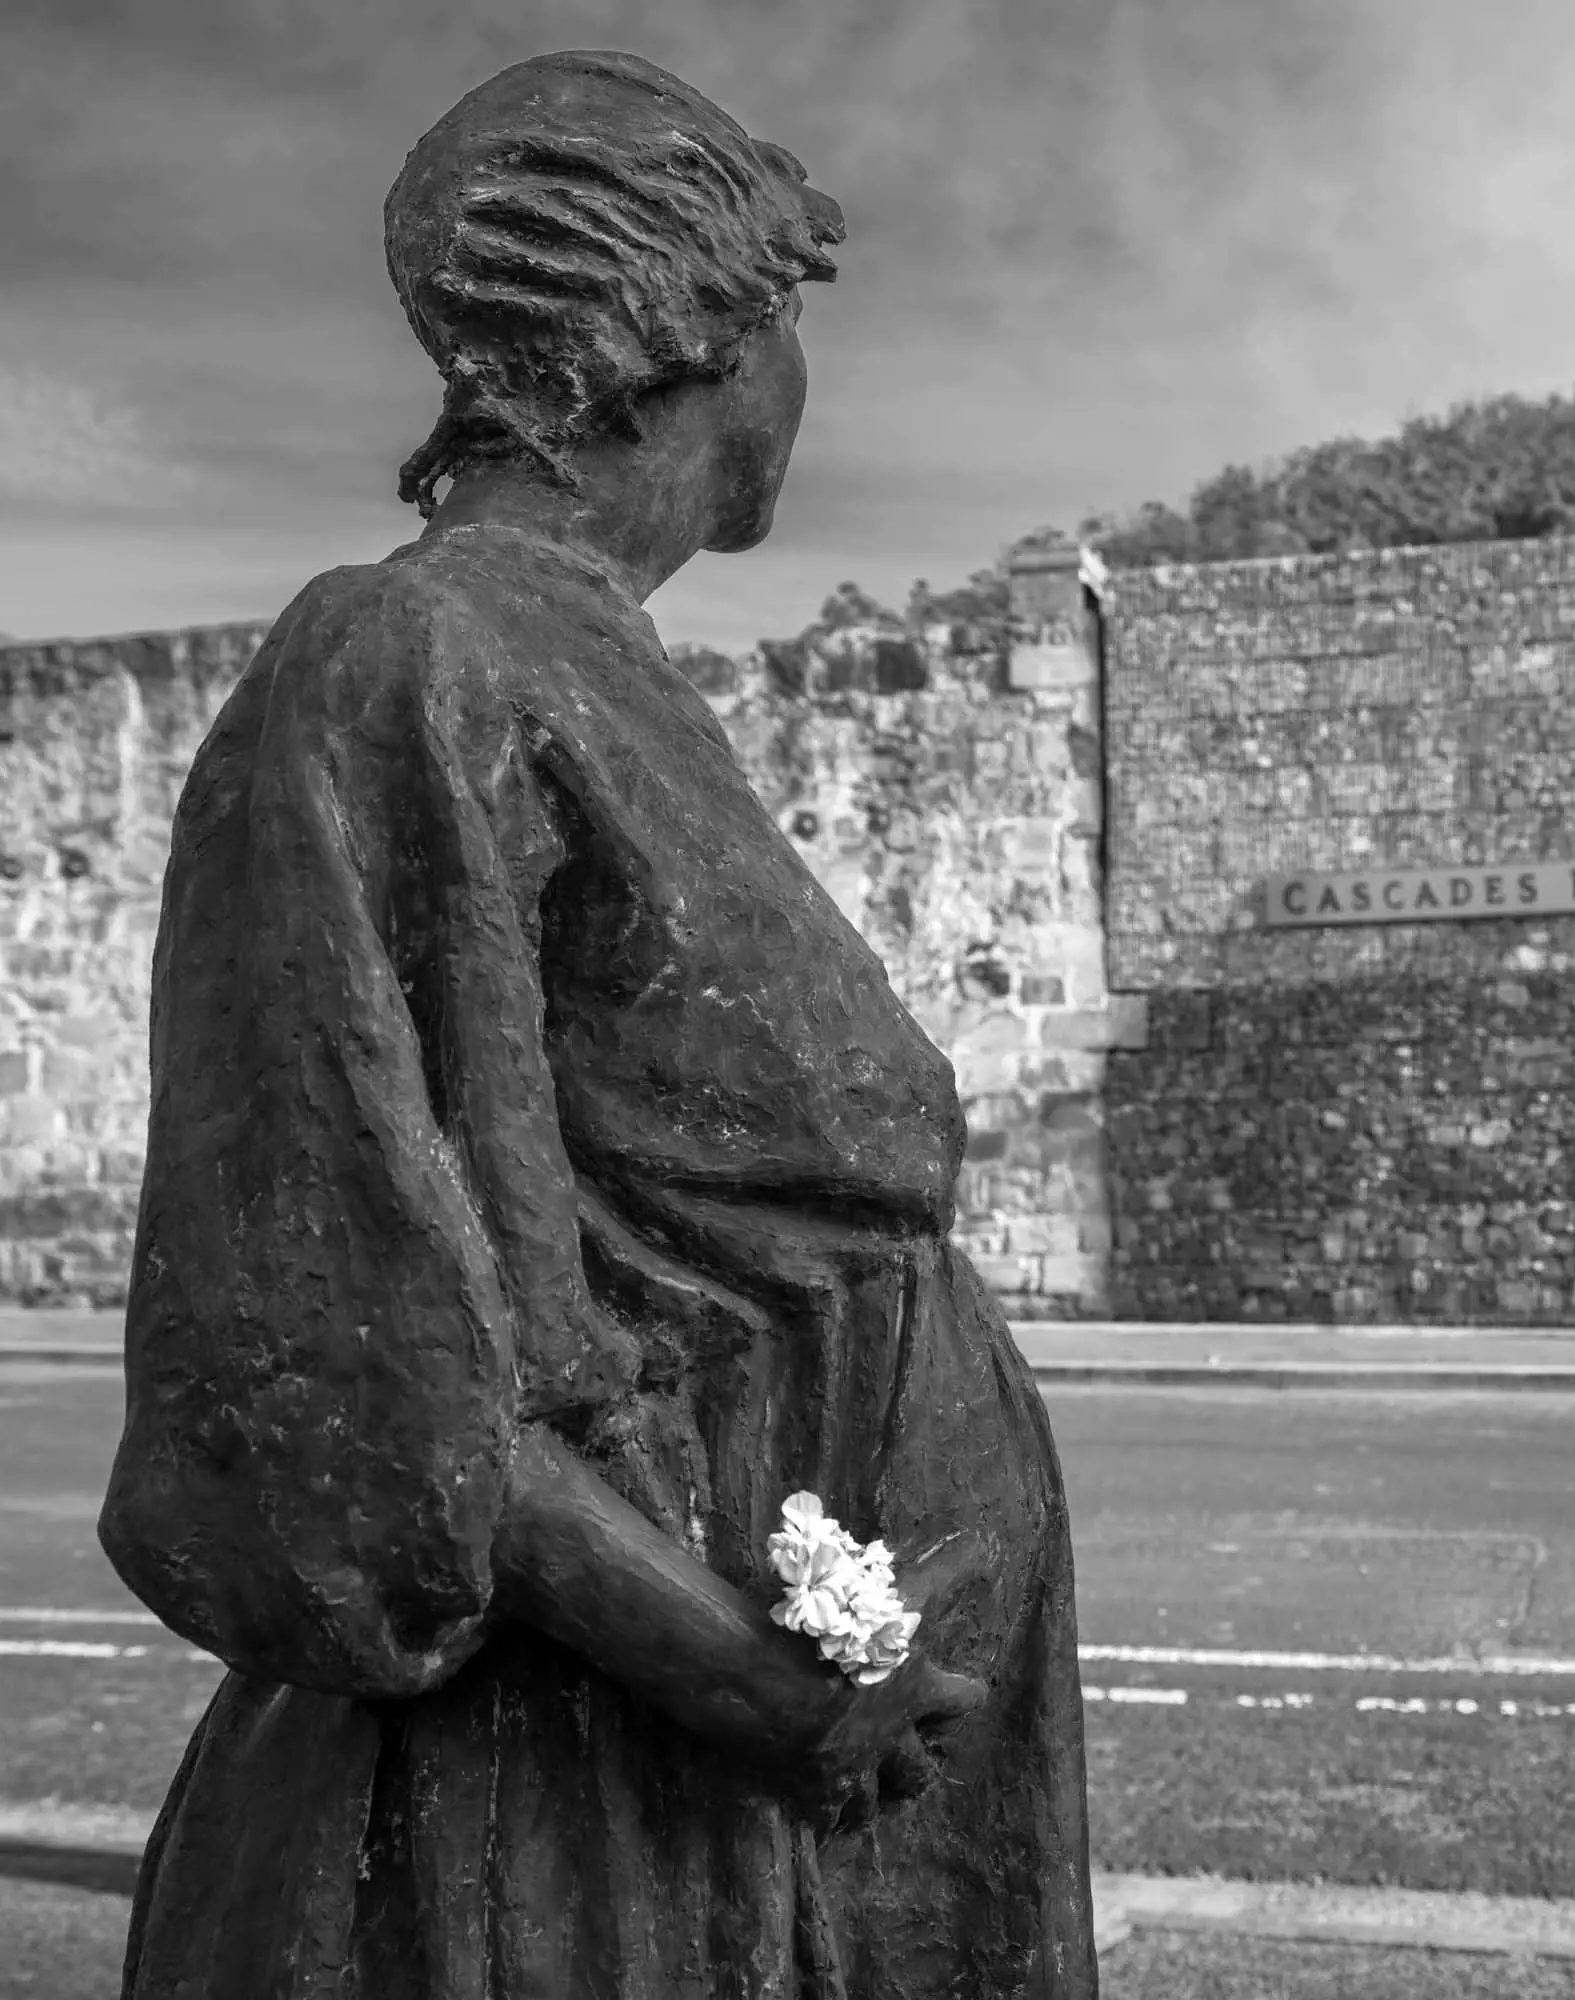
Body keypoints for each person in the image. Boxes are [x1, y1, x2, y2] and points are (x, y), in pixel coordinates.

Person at [96, 49, 1095, 1999]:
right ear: (678, 324)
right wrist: (736, 1666)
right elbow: (318, 1317)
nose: (802, 376)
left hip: (799, 1768)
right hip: (611, 1776)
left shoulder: (597, 666)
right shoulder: (403, 651)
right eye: (784, 320)